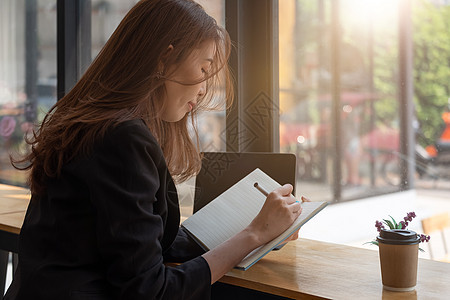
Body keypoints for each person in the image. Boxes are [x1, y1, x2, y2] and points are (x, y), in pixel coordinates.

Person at [4, 0, 302, 299]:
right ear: (164, 58)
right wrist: (254, 234)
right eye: (204, 68)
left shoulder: (95, 122)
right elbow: (150, 291)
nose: (203, 88)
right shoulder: (122, 138)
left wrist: (260, 230)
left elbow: (138, 242)